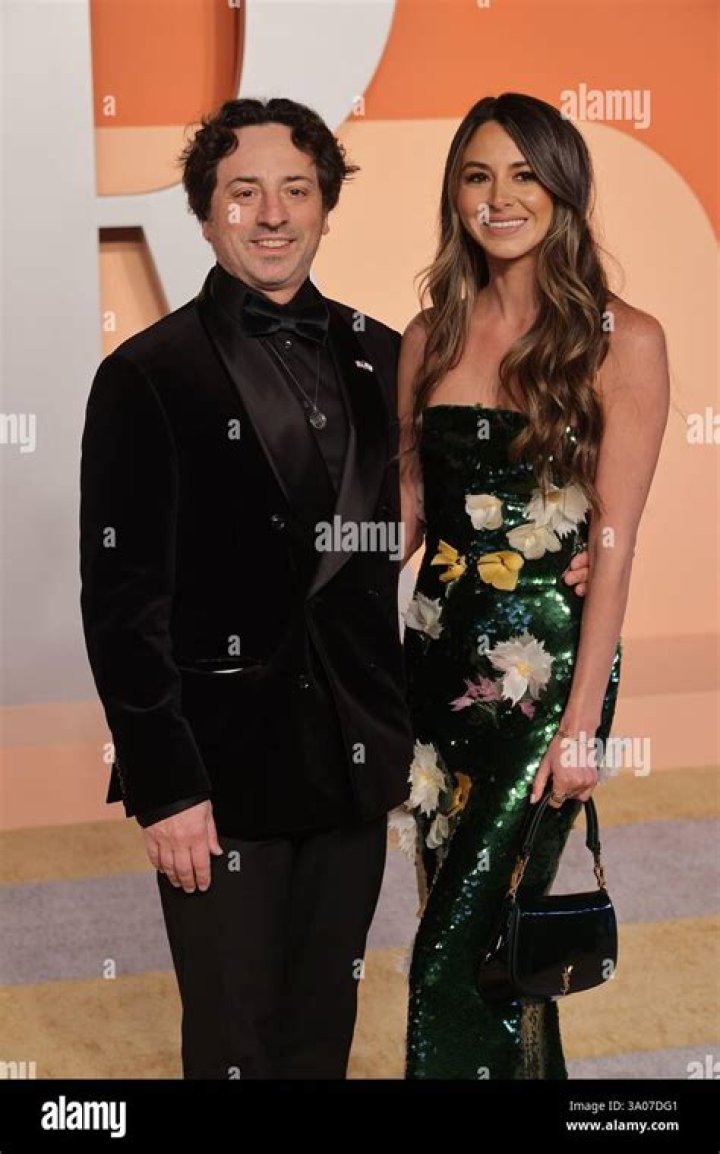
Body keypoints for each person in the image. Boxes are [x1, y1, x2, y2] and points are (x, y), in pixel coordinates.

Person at [79, 95, 589, 1081]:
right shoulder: (147, 375)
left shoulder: (388, 354)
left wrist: (579, 548)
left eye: (296, 190)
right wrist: (166, 786)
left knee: (322, 1035)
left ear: (325, 206)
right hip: (217, 775)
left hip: (354, 760)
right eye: (244, 192)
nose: (272, 214)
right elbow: (120, 604)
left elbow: (450, 510)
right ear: (205, 211)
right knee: (234, 1042)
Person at [398, 92, 669, 1079]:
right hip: (435, 670)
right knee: (490, 943)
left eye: (523, 174)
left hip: (547, 676)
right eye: (477, 175)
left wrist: (583, 723)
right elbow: (403, 521)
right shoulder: (428, 337)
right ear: (454, 195)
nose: (498, 196)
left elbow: (615, 541)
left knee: (450, 959)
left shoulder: (622, 338)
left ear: (563, 187)